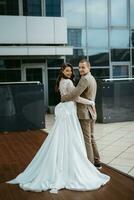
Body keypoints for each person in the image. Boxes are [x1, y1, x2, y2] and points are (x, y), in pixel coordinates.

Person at [6, 63, 110, 194]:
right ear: (63, 71)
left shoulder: (64, 81)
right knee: (75, 137)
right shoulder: (68, 81)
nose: (70, 72)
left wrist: (66, 98)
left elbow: (67, 96)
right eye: (67, 71)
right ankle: (88, 163)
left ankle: (88, 162)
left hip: (68, 110)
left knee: (70, 137)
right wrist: (90, 102)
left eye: (71, 71)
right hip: (70, 110)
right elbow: (75, 97)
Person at [61, 59, 101, 168]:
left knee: (86, 139)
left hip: (84, 113)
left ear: (89, 67)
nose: (81, 69)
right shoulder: (92, 78)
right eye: (79, 67)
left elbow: (74, 94)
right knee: (91, 137)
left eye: (83, 67)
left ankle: (90, 165)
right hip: (91, 111)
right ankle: (97, 161)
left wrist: (63, 97)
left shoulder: (85, 79)